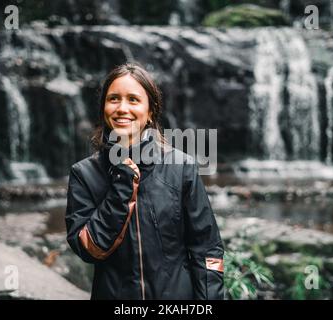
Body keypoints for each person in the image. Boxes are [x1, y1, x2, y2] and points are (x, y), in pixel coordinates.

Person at [65, 62, 224, 300]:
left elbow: (206, 248)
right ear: (104, 109)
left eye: (133, 99)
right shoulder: (84, 174)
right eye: (114, 99)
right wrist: (122, 180)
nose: (122, 108)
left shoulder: (180, 167)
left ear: (150, 111)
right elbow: (89, 248)